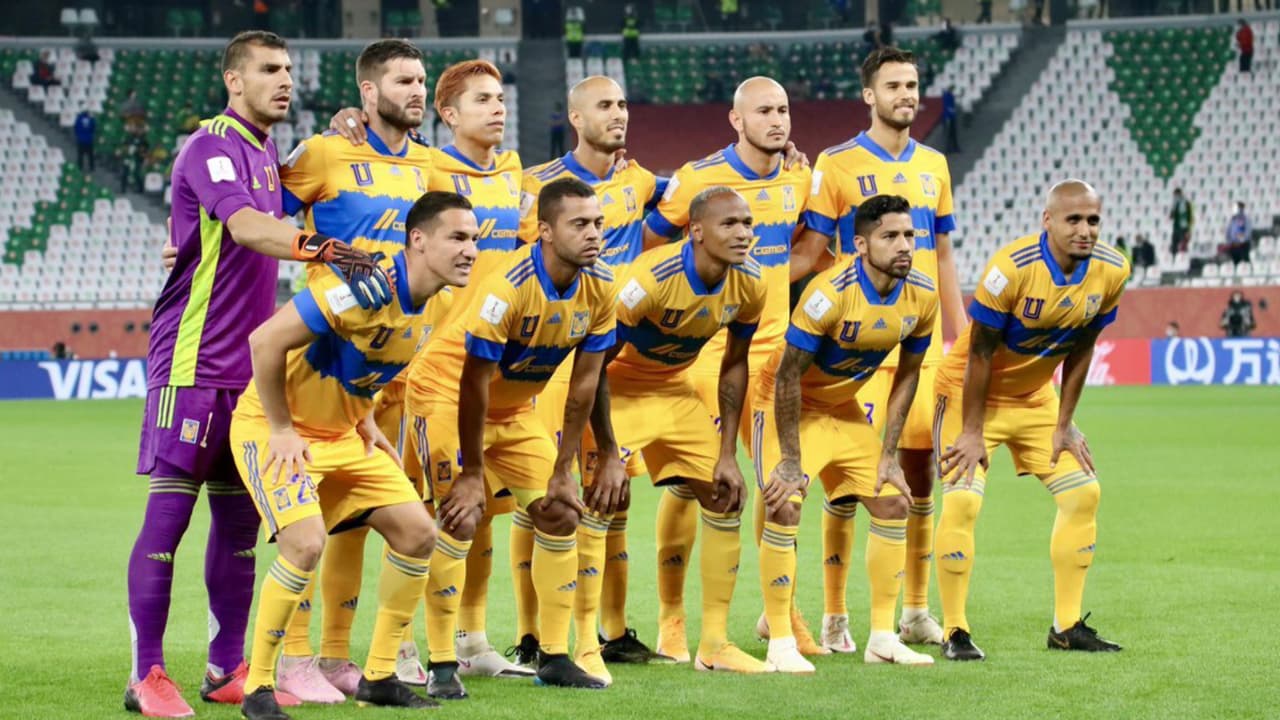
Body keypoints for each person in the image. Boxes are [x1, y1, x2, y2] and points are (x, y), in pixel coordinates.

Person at [125, 30, 389, 720]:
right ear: (233, 80)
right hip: (191, 362)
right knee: (168, 517)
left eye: (290, 69)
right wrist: (323, 249)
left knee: (240, 526)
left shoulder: (270, 153)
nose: (285, 80)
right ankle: (145, 674)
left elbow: (289, 194)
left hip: (248, 371)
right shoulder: (210, 145)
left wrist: (347, 123)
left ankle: (225, 667)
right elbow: (245, 227)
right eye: (270, 69)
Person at [231, 192, 476, 720]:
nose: (471, 250)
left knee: (419, 533)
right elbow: (265, 342)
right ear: (418, 240)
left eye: (474, 239)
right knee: (305, 544)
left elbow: (372, 359)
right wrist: (280, 428)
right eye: (458, 237)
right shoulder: (360, 288)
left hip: (344, 435)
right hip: (277, 431)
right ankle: (259, 688)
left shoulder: (442, 302)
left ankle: (381, 676)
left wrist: (362, 416)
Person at [330, 58, 531, 683]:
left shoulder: (514, 171)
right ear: (448, 114)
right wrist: (351, 119)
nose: (497, 108)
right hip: (411, 366)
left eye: (501, 97)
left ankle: (470, 638)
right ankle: (394, 646)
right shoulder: (426, 168)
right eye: (483, 99)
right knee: (393, 511)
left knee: (478, 509)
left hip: (480, 367)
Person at [273, 39, 442, 700]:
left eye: (421, 80)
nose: (417, 91)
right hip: (322, 365)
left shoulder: (430, 165)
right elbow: (256, 216)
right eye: (403, 81)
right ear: (368, 92)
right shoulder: (324, 152)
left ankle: (341, 656)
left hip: (394, 371)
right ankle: (291, 657)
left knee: (363, 517)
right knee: (307, 520)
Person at [407, 178, 618, 693]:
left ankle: (555, 657)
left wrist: (565, 468)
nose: (593, 234)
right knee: (459, 517)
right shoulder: (508, 287)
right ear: (545, 231)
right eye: (579, 224)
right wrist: (472, 472)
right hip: (446, 395)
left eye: (598, 223)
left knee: (561, 510)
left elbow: (585, 384)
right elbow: (472, 381)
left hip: (515, 408)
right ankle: (441, 664)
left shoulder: (601, 287)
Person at [793, 45, 962, 655]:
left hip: (920, 342)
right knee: (847, 483)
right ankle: (836, 615)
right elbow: (812, 251)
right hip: (856, 350)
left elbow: (944, 255)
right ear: (869, 95)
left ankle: (914, 610)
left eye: (912, 85)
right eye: (893, 86)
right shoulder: (836, 164)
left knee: (919, 475)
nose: (906, 95)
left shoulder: (935, 165)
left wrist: (962, 338)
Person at [643, 76, 814, 662]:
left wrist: (762, 282)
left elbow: (808, 251)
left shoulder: (799, 176)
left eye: (783, 109)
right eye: (764, 110)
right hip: (706, 353)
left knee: (782, 482)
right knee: (693, 485)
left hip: (774, 356)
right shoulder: (699, 178)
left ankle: (779, 614)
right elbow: (651, 242)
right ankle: (671, 619)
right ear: (736, 120)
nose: (777, 120)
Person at [934, 179, 1128, 662]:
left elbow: (1083, 347)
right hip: (968, 395)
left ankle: (1066, 627)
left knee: (1084, 494)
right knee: (963, 501)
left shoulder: (1112, 269)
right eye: (1073, 220)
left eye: (1093, 220)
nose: (1085, 230)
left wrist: (1065, 423)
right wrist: (972, 432)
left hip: (1035, 399)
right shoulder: (1011, 269)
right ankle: (955, 630)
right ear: (1048, 221)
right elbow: (979, 353)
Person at [756, 194, 938, 672]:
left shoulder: (922, 295)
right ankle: (779, 639)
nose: (904, 245)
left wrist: (889, 455)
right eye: (890, 236)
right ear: (860, 245)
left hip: (842, 406)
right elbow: (787, 377)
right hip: (784, 402)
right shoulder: (829, 293)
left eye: (910, 235)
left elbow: (908, 377)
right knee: (785, 502)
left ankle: (882, 639)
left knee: (894, 501)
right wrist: (790, 461)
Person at [519, 76, 664, 669]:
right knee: (543, 495)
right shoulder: (536, 185)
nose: (619, 113)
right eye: (605, 105)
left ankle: (612, 630)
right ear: (575, 118)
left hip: (617, 360)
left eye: (623, 103)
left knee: (614, 494)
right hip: (558, 358)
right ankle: (534, 635)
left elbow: (703, 194)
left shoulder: (642, 181)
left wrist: (788, 157)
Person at [598, 186, 772, 675]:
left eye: (747, 223)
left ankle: (714, 645)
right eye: (729, 224)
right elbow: (592, 366)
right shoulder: (649, 281)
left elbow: (734, 365)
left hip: (674, 389)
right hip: (615, 387)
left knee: (724, 495)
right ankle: (593, 643)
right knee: (599, 503)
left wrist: (727, 453)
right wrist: (609, 452)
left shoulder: (752, 283)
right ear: (695, 231)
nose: (743, 233)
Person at [1168, 187, 1193, 258]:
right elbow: (1171, 216)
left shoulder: (1186, 203)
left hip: (1184, 227)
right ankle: (1174, 258)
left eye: (1176, 195)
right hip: (1177, 227)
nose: (1175, 197)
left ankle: (1183, 259)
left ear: (1179, 194)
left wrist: (1188, 230)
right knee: (1174, 244)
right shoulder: (1175, 204)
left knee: (1183, 244)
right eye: (1174, 196)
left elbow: (1189, 216)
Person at [74, 106, 96, 173]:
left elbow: (76, 128)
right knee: (90, 155)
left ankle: (80, 167)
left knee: (80, 155)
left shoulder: (78, 118)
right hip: (89, 139)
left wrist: (78, 135)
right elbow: (93, 127)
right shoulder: (91, 118)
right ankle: (91, 167)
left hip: (81, 139)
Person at [942, 87, 960, 153]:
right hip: (948, 118)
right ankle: (948, 149)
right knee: (948, 134)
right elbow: (948, 107)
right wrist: (954, 111)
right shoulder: (947, 96)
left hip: (951, 117)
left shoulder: (949, 95)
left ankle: (953, 148)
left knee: (953, 134)